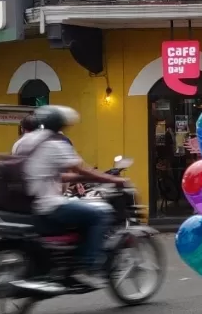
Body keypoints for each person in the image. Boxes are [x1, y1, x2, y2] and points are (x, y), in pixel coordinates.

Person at [22, 105, 125, 286]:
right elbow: (81, 169)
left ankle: (68, 262)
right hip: (49, 205)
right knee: (100, 214)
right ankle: (89, 265)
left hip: (27, 203)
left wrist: (78, 177)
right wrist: (110, 179)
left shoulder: (25, 141)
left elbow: (49, 173)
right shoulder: (56, 143)